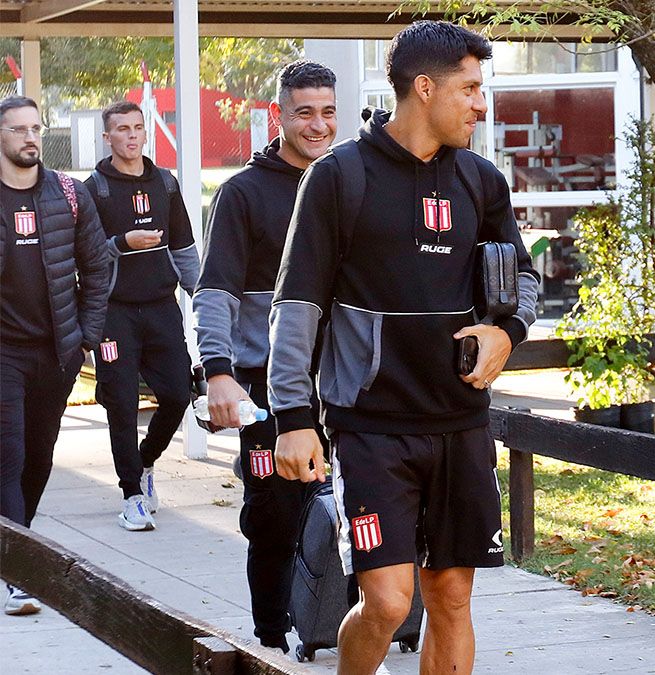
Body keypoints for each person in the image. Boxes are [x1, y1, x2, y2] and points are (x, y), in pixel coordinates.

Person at [268, 22, 538, 675]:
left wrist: (509, 331)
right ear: (424, 87)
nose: (481, 103)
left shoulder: (481, 180)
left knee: (451, 598)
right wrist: (292, 419)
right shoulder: (339, 177)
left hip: (461, 424)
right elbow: (297, 305)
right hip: (370, 429)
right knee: (387, 601)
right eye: (470, 88)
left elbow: (524, 279)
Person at [192, 59, 337, 653]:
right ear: (279, 115)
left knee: (346, 515)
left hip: (341, 386)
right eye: (304, 112)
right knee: (275, 518)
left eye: (328, 112)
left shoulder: (346, 182)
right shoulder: (243, 194)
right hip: (263, 388)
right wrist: (218, 373)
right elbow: (215, 292)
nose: (318, 125)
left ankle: (337, 626)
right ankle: (271, 641)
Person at [0, 95, 111, 614]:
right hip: (3, 354)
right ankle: (20, 573)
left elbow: (98, 264)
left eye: (36, 129)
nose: (30, 138)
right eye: (18, 129)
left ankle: (14, 545)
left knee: (39, 458)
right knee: (9, 455)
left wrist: (86, 334)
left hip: (58, 352)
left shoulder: (67, 194)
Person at [84, 101, 199, 532]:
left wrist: (202, 296)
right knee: (121, 402)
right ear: (107, 137)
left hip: (160, 307)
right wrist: (122, 242)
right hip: (114, 312)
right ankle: (131, 493)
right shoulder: (94, 189)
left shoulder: (164, 184)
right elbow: (86, 255)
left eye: (137, 128)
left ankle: (146, 460)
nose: (131, 136)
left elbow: (184, 249)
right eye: (122, 129)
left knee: (177, 395)